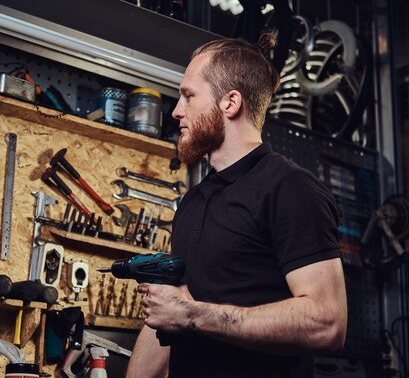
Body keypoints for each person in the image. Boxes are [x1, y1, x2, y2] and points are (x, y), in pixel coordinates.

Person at [126, 34, 347, 378]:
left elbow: (327, 323)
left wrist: (192, 314)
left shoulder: (289, 188)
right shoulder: (193, 201)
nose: (176, 111)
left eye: (188, 96)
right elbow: (173, 313)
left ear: (230, 104)